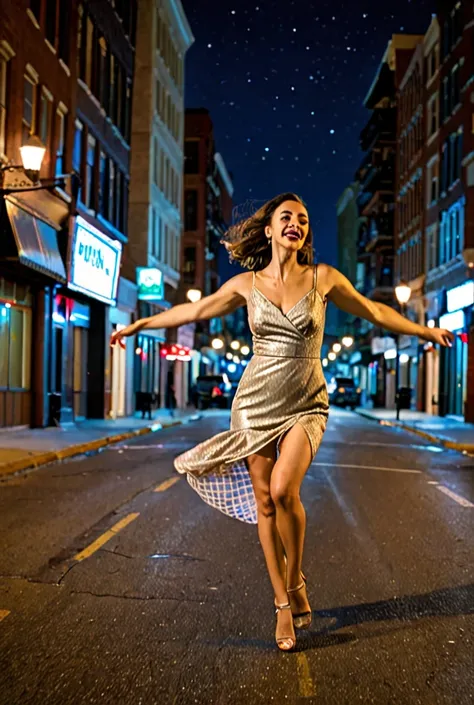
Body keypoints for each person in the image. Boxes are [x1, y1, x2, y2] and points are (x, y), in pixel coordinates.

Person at [110, 193, 454, 652]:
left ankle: (295, 580)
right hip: (254, 404)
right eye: (286, 217)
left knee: (283, 490)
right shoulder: (245, 285)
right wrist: (140, 325)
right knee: (264, 505)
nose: (296, 223)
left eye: (303, 219)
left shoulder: (323, 278)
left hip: (307, 402)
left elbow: (375, 312)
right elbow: (192, 311)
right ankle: (281, 603)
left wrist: (424, 329)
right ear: (270, 230)